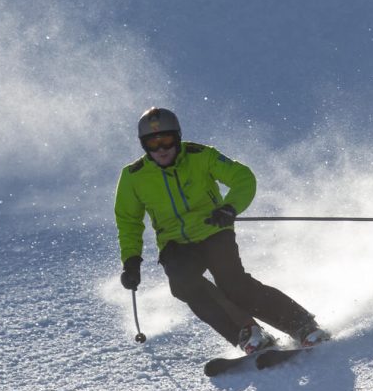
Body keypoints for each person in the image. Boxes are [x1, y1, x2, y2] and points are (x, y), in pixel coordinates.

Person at [114, 107, 329, 354]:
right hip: (175, 245)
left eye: (167, 140)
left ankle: (302, 326)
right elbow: (128, 221)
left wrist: (229, 208)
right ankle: (247, 332)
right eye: (153, 143)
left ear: (178, 137)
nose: (161, 148)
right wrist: (131, 261)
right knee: (184, 284)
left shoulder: (200, 155)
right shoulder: (133, 176)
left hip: (214, 230)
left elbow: (242, 177)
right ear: (144, 146)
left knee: (234, 286)